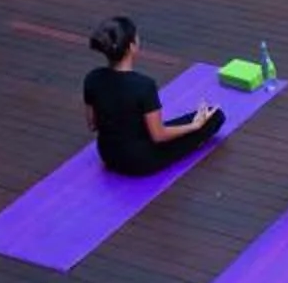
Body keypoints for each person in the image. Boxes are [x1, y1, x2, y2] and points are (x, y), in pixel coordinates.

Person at [82, 14, 225, 176]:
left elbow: (92, 124)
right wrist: (195, 126)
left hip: (108, 154)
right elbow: (158, 136)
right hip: (140, 160)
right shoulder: (144, 85)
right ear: (131, 47)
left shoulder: (92, 78)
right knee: (216, 116)